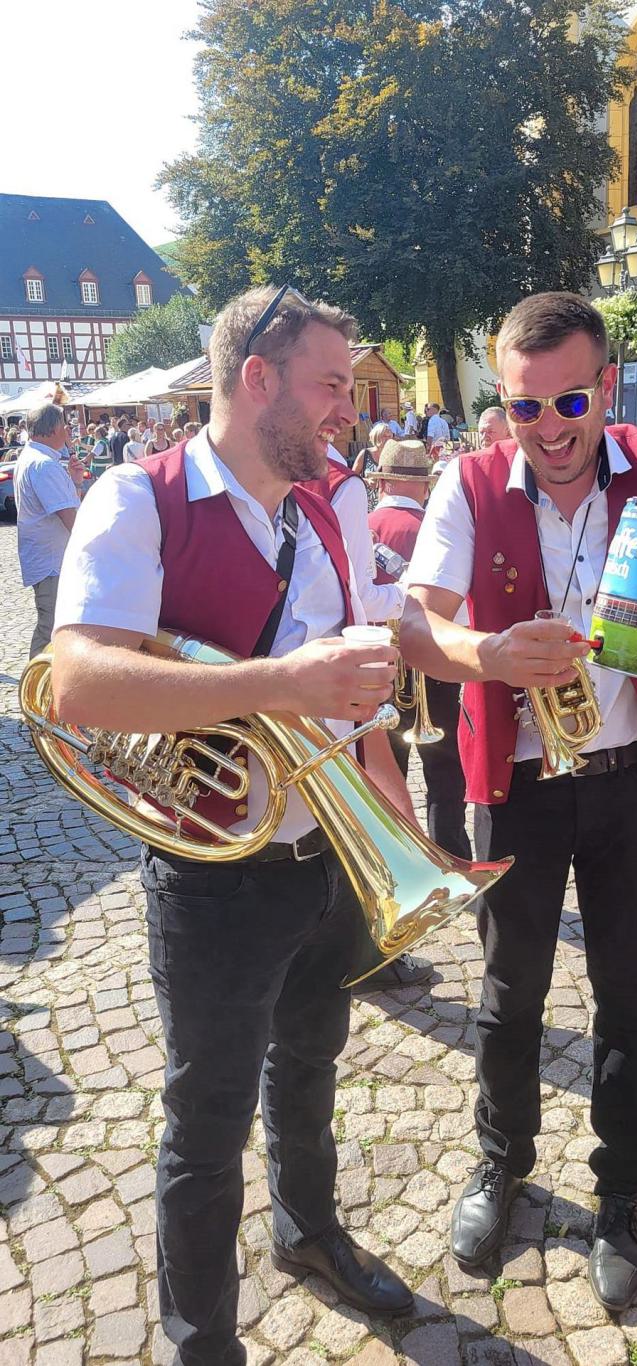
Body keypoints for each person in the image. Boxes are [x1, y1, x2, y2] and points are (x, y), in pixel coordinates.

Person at [51, 284, 415, 1365]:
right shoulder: (138, 499)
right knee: (205, 1127)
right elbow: (76, 683)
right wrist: (281, 681)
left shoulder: (325, 505)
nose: (348, 408)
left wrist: (391, 796)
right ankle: (202, 1341)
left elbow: (359, 666)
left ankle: (308, 1231)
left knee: (311, 1061)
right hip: (214, 873)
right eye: (330, 387)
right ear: (257, 381)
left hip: (327, 854)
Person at [401, 290, 637, 1312]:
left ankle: (620, 1195)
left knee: (628, 996)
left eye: (570, 402)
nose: (550, 429)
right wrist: (488, 652)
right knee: (510, 992)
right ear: (502, 404)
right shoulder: (468, 483)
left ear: (604, 387)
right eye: (525, 408)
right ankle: (501, 1162)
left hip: (631, 782)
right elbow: (417, 623)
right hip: (517, 783)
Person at [300, 441, 432, 995]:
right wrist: (420, 600)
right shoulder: (340, 483)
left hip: (320, 689)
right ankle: (369, 950)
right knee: (369, 809)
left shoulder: (332, 483)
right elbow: (360, 599)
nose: (346, 412)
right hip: (349, 677)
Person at [370, 438, 471, 863]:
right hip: (437, 664)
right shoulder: (441, 529)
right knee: (446, 769)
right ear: (424, 486)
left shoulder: (362, 525)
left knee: (384, 768)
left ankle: (391, 858)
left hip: (379, 666)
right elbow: (461, 614)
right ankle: (450, 855)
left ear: (384, 481)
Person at [13, 403, 82, 656]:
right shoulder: (44, 464)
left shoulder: (35, 458)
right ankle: (35, 688)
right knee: (52, 627)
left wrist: (74, 482)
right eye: (64, 424)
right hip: (53, 561)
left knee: (57, 624)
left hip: (49, 558)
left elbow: (64, 505)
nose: (67, 429)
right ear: (54, 428)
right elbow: (68, 517)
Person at [352, 420, 391, 510]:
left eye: (390, 436)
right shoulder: (365, 454)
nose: (388, 439)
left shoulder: (392, 456)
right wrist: (367, 481)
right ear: (376, 437)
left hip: (386, 503)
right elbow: (352, 476)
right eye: (384, 436)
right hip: (365, 503)